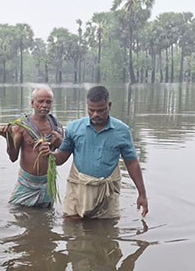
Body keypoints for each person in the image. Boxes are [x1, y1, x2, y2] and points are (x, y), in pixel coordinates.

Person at [45, 85, 148, 219]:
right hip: (78, 189)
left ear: (109, 106)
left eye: (101, 110)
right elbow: (60, 159)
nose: (95, 114)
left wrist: (142, 194)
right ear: (87, 106)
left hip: (107, 193)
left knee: (108, 229)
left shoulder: (122, 131)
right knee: (71, 225)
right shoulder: (74, 128)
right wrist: (48, 154)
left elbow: (132, 163)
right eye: (91, 110)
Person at [0, 86, 63, 208]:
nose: (44, 105)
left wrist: (59, 142)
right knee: (17, 211)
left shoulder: (57, 126)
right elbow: (13, 157)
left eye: (48, 102)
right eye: (40, 101)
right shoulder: (21, 127)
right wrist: (8, 139)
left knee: (46, 215)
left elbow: (61, 156)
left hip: (47, 181)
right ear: (33, 103)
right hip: (27, 182)